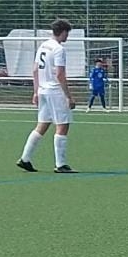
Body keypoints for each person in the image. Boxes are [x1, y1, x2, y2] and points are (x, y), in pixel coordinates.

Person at [18, 18, 76, 173]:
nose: (67, 36)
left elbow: (35, 70)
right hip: (55, 92)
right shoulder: (58, 49)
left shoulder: (43, 46)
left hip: (43, 91)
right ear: (62, 32)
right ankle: (60, 164)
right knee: (62, 126)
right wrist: (68, 96)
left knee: (42, 125)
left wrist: (36, 91)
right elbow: (60, 74)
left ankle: (25, 158)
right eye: (67, 33)